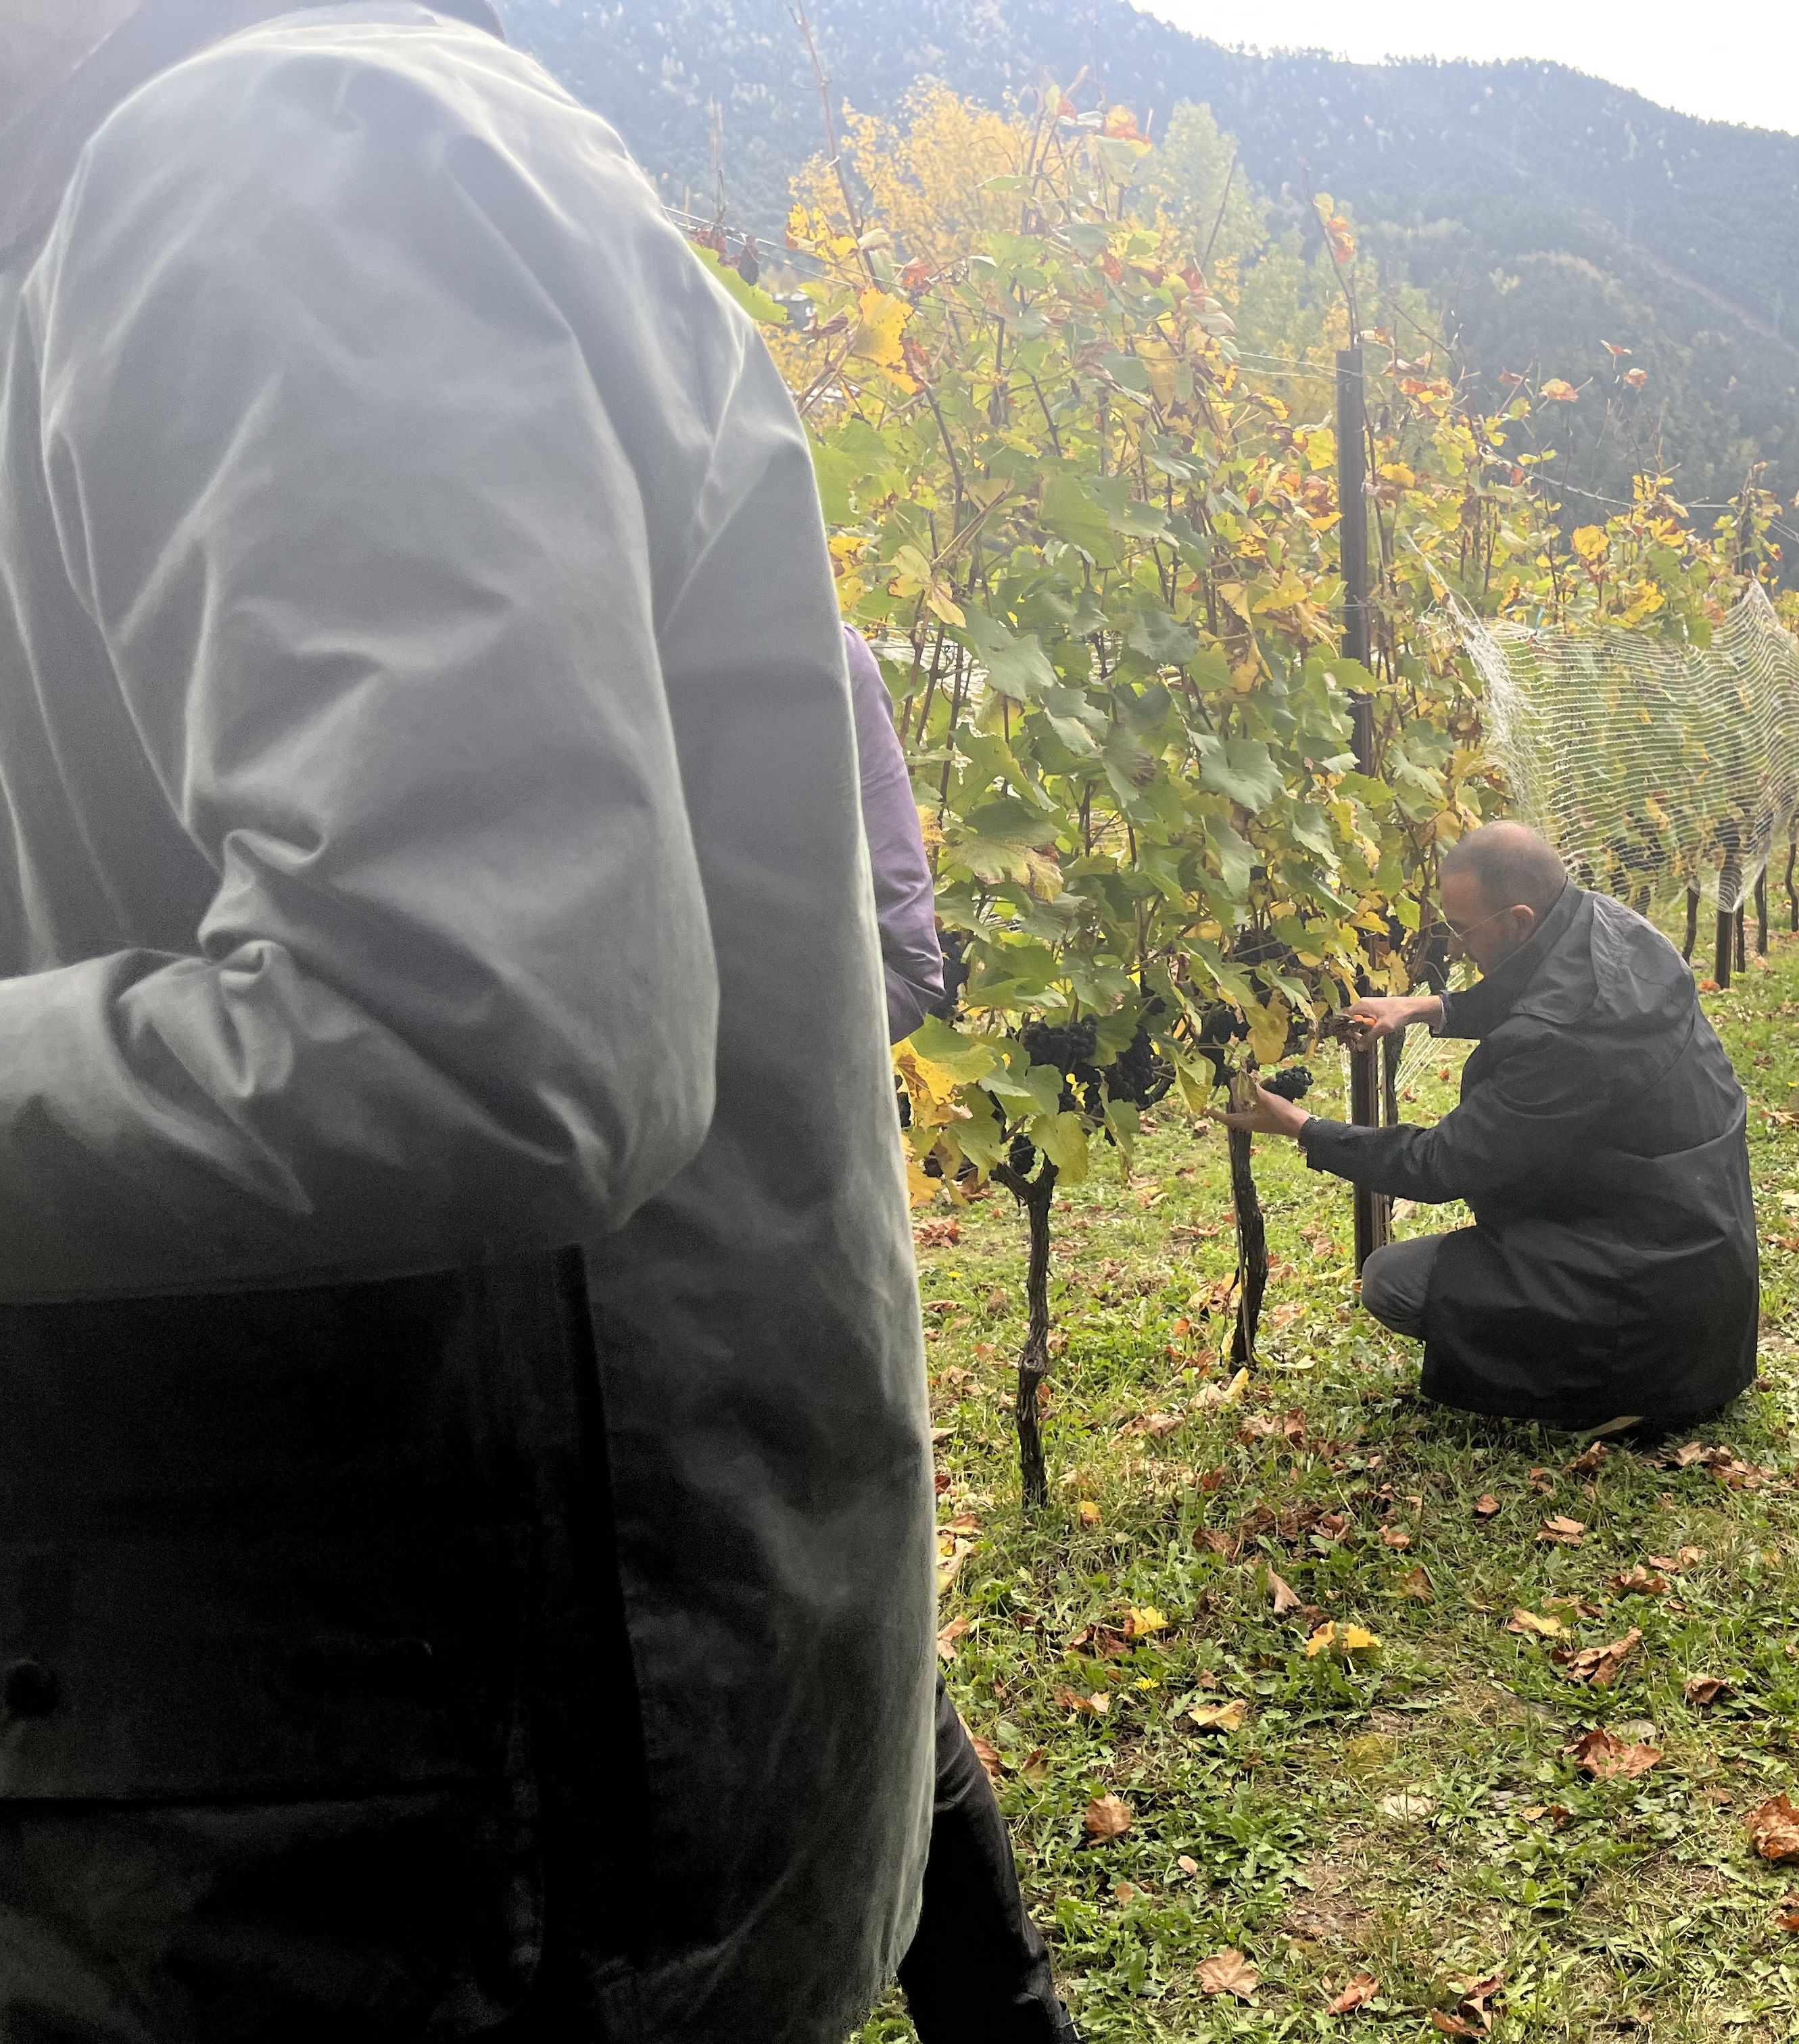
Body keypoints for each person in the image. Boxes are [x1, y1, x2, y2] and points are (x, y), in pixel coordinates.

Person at [0, 5, 933, 2039]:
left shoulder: (260, 167)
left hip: (401, 1829)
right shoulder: (216, 189)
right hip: (387, 1762)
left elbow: (472, 1026)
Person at [1219, 821, 1760, 1435]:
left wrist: (1301, 1126)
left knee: (1393, 1281)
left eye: (1461, 929)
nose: (1452, 947)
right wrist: (1424, 1008)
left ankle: (1621, 1393)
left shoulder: (1563, 1042)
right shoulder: (1613, 928)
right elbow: (1538, 991)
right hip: (1700, 1256)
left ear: (1519, 920)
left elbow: (1441, 1164)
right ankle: (1640, 1365)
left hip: (1652, 1291)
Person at [845, 625, 1078, 2044]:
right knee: (886, 1681)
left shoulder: (787, 626)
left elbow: (892, 952)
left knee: (880, 1682)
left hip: (733, 1277)